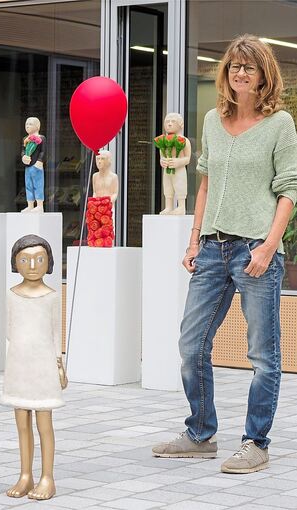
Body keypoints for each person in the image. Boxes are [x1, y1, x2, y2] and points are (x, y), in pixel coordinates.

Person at [152, 35, 297, 474]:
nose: (240, 73)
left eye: (249, 67)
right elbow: (205, 183)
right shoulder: (214, 120)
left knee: (262, 354)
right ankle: (200, 433)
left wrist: (269, 248)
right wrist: (194, 239)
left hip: (257, 248)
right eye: (234, 65)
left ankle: (256, 442)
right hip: (212, 248)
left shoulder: (281, 124)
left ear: (263, 75)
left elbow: (288, 189)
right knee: (190, 343)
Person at [1, 235, 67, 500]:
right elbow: (9, 331)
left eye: (39, 259)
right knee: (21, 424)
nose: (32, 266)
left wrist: (59, 364)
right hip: (18, 363)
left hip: (43, 365)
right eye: (25, 260)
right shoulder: (11, 294)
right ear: (15, 263)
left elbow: (55, 334)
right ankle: (25, 474)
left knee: (44, 423)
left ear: (48, 263)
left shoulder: (51, 296)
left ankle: (47, 477)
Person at [159, 113, 192, 215]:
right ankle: (168, 206)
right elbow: (162, 156)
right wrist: (163, 161)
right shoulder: (163, 141)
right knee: (168, 186)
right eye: (167, 122)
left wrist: (179, 162)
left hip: (179, 169)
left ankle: (181, 206)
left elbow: (188, 158)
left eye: (173, 121)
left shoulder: (184, 141)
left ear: (180, 124)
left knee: (179, 185)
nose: (169, 124)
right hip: (168, 169)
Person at [21, 117, 46, 213]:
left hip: (37, 166)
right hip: (28, 166)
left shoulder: (41, 138)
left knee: (38, 184)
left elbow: (43, 152)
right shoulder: (25, 139)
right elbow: (23, 151)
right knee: (28, 185)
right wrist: (23, 157)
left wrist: (40, 161)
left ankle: (40, 205)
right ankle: (30, 205)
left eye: (30, 124)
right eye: (26, 124)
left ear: (37, 126)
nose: (27, 126)